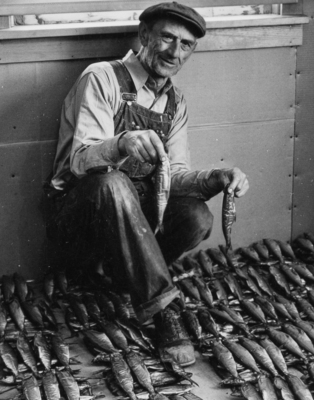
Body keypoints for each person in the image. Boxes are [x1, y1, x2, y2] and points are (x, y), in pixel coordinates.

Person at [44, 2, 249, 366]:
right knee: (112, 183)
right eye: (167, 38)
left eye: (185, 45)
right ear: (143, 36)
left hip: (133, 218)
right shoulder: (102, 77)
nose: (174, 52)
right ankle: (162, 310)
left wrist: (217, 178)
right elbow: (79, 161)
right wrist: (121, 143)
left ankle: (120, 278)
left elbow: (176, 178)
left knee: (197, 216)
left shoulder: (175, 103)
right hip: (77, 220)